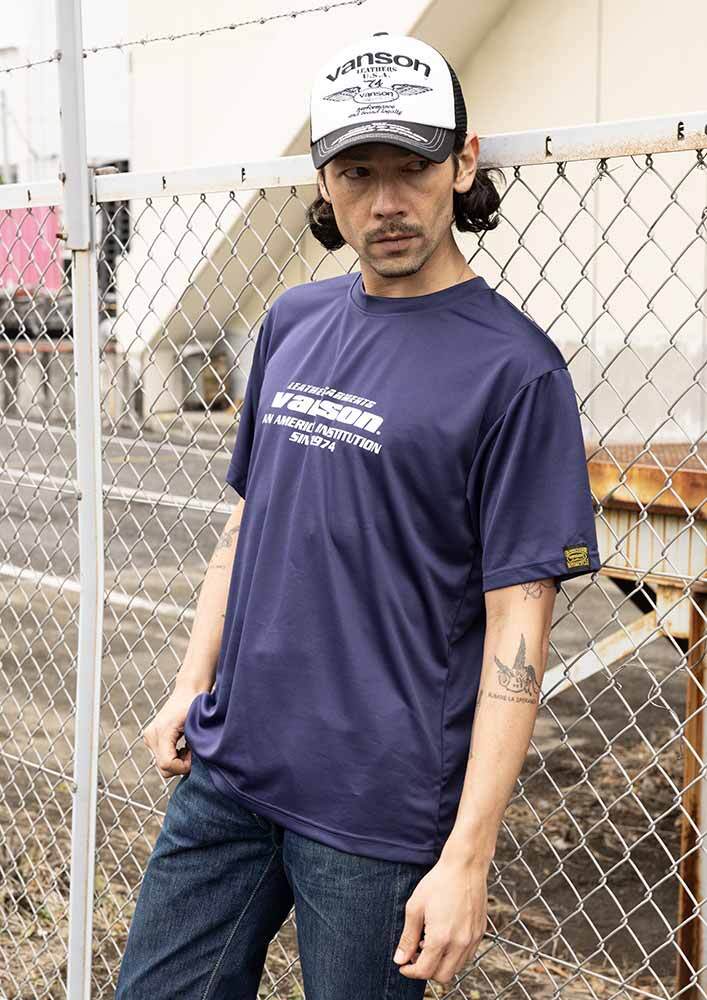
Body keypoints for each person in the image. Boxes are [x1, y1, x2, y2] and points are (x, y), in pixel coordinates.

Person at [116, 31, 601, 999]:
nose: (386, 202)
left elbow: (519, 626)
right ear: (323, 182)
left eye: (412, 167)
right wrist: (188, 683)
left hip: (376, 815)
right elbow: (247, 525)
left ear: (461, 163)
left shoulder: (514, 371)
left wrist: (465, 856)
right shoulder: (292, 322)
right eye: (357, 172)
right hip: (230, 771)